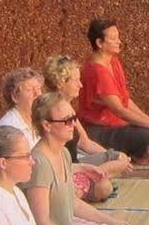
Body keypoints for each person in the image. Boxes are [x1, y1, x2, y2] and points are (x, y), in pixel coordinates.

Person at [24, 92, 134, 225]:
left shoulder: (64, 153)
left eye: (73, 118)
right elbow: (42, 222)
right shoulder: (40, 163)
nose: (73, 124)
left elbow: (73, 203)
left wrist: (112, 221)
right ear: (47, 125)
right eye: (66, 120)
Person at [42, 54, 133, 201]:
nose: (81, 85)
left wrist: (111, 155)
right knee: (104, 186)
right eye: (76, 80)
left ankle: (95, 178)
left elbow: (85, 142)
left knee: (120, 159)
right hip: (65, 168)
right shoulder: (52, 110)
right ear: (60, 83)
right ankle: (92, 180)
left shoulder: (68, 108)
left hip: (75, 162)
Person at [77, 19, 149, 162]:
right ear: (99, 43)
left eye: (118, 37)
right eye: (113, 39)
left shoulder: (113, 61)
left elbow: (126, 100)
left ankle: (139, 152)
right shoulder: (97, 71)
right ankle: (134, 155)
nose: (119, 42)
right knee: (147, 136)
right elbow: (119, 109)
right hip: (98, 130)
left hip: (117, 124)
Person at [0, 68, 42, 139]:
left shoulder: (39, 121)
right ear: (15, 97)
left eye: (38, 88)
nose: (37, 94)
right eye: (29, 90)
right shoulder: (8, 129)